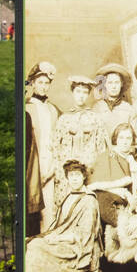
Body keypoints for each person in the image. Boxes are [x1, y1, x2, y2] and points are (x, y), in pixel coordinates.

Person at [25, 159, 109, 272]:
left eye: (77, 175)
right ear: (67, 178)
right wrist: (51, 236)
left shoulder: (88, 200)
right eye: (71, 176)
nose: (74, 179)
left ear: (83, 177)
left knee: (36, 248)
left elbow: (86, 234)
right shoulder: (69, 196)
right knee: (33, 243)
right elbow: (60, 225)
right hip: (65, 238)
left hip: (79, 246)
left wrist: (58, 239)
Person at [87, 122, 137, 258]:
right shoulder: (107, 156)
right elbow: (98, 184)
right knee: (102, 198)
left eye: (128, 138)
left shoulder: (132, 161)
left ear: (133, 141)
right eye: (121, 138)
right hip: (112, 203)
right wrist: (125, 193)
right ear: (115, 139)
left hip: (130, 204)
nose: (125, 142)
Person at [52, 74, 109, 209]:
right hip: (67, 173)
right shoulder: (63, 119)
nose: (81, 96)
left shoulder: (96, 119)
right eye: (78, 91)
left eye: (85, 92)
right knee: (67, 207)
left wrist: (97, 172)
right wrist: (59, 173)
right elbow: (56, 148)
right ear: (72, 93)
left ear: (89, 94)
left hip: (89, 171)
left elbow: (101, 149)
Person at [24, 61, 61, 234]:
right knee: (31, 206)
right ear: (32, 83)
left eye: (47, 83)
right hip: (32, 163)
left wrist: (52, 167)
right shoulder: (27, 107)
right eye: (40, 82)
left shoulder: (53, 110)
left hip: (50, 165)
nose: (44, 87)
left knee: (49, 206)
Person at [95, 62, 136, 132]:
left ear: (121, 84)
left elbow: (135, 136)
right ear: (105, 85)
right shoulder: (97, 108)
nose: (114, 86)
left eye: (117, 82)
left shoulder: (129, 109)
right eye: (110, 83)